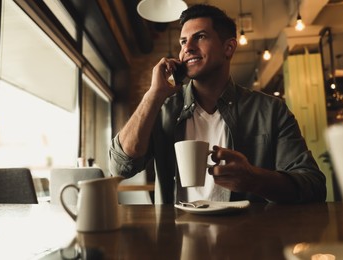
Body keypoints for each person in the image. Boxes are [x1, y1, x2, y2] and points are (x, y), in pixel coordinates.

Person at [109, 4, 326, 204]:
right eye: (183, 42)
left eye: (200, 37)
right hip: (176, 240)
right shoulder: (163, 109)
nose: (188, 48)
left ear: (229, 48)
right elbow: (120, 167)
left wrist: (255, 179)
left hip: (249, 239)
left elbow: (314, 186)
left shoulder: (271, 111)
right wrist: (153, 95)